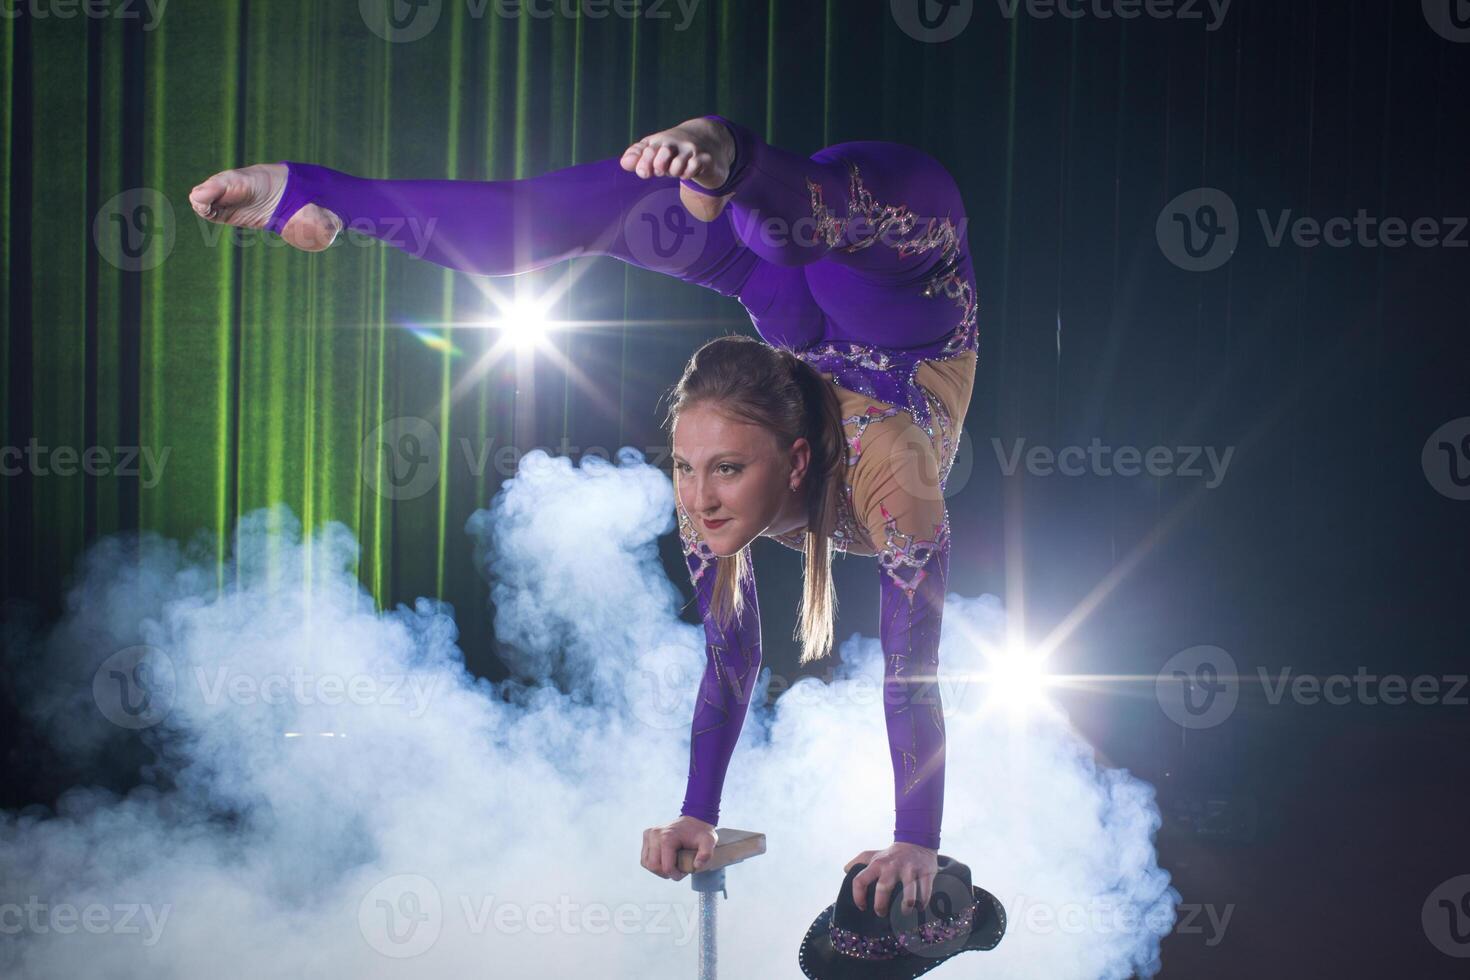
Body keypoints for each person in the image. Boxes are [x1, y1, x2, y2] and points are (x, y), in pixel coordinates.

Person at [190, 115, 977, 917]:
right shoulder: (723, 489)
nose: (700, 499)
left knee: (794, 237)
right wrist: (696, 814)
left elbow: (910, 670)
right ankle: (305, 188)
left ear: (797, 462)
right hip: (830, 289)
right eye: (688, 468)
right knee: (545, 224)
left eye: (726, 472)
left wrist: (915, 835)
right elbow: (730, 657)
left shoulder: (890, 464)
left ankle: (731, 161)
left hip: (901, 259)